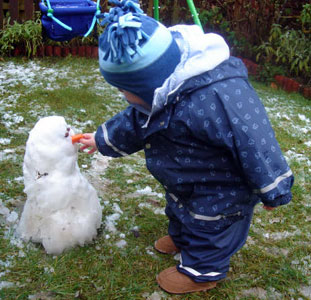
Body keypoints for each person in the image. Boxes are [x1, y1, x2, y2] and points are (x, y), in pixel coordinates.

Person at [79, 0, 294, 294]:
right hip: (185, 180)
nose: (122, 95)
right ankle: (183, 239)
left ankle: (203, 272)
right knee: (181, 211)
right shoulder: (156, 95)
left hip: (221, 190)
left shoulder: (220, 98)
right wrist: (101, 139)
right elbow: (134, 122)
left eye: (124, 88)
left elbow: (255, 140)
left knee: (210, 227)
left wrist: (273, 188)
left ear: (149, 83)